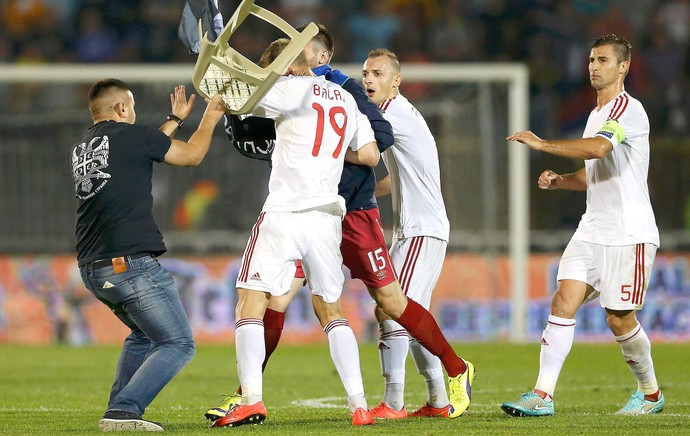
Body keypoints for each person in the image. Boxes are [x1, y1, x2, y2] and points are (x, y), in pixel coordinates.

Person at [207, 25, 474, 422]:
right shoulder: (334, 96)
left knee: (389, 303)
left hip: (352, 215)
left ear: (317, 58)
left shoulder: (336, 88)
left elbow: (376, 142)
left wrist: (321, 152)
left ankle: (455, 369)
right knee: (277, 302)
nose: (369, 79)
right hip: (321, 214)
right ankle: (248, 393)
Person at [211, 38, 381, 428]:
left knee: (249, 302)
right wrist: (332, 154)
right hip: (326, 218)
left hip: (285, 213)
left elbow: (240, 98)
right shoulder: (345, 98)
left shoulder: (289, 88)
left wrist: (220, 72)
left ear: (287, 65)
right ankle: (359, 406)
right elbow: (370, 155)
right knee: (332, 311)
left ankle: (251, 399)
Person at [501, 34, 664, 417]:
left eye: (603, 60)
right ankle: (543, 395)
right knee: (562, 301)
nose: (594, 66)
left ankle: (651, 393)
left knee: (619, 318)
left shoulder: (627, 110)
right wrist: (561, 180)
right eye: (591, 59)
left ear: (623, 67)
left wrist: (542, 145)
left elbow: (598, 149)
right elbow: (594, 172)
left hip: (629, 232)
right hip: (592, 228)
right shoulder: (595, 116)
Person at [72, 79, 225, 431]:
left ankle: (117, 411)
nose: (135, 113)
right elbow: (192, 155)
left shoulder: (84, 145)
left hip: (94, 266)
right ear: (123, 109)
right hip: (130, 264)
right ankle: (124, 410)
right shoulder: (131, 137)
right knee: (178, 343)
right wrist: (211, 116)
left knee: (144, 335)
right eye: (133, 106)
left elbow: (143, 147)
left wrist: (174, 119)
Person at [361, 48, 469, 419]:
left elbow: (361, 146)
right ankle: (439, 399)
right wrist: (364, 192)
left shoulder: (391, 113)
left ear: (396, 81)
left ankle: (394, 401)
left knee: (390, 309)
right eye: (365, 73)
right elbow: (397, 178)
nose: (368, 79)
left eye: (377, 73)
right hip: (416, 229)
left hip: (422, 230)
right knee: (409, 313)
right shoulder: (398, 114)